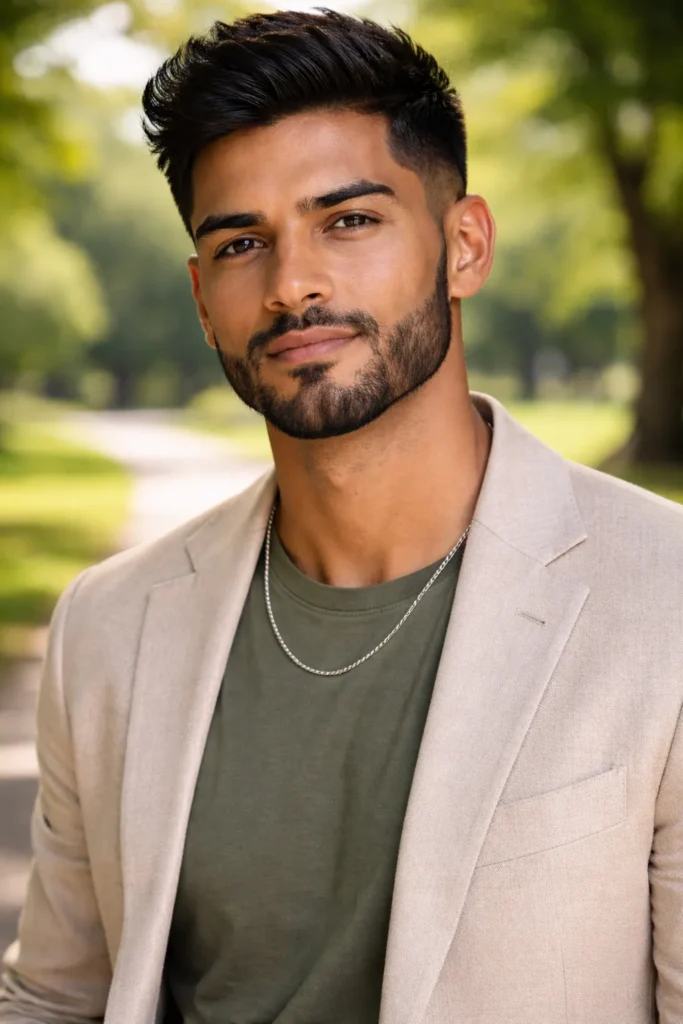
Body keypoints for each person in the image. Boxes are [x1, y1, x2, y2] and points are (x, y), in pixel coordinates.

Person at [2, 8, 683, 1023]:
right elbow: (56, 999)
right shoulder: (110, 624)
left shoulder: (660, 599)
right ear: (199, 298)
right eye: (241, 243)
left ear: (463, 246)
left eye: (348, 220)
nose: (292, 284)